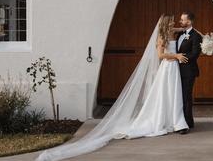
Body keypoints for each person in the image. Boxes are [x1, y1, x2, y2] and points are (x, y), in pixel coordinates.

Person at [35, 14, 195, 161]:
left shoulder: (171, 31)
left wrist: (190, 29)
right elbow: (160, 55)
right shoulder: (162, 37)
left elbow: (182, 28)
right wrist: (176, 56)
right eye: (172, 21)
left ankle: (175, 120)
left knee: (174, 95)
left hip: (174, 69)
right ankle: (164, 120)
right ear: (167, 23)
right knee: (164, 94)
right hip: (167, 68)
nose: (175, 23)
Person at [175, 11, 202, 132]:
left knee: (186, 97)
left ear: (189, 22)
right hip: (175, 71)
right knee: (178, 96)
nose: (180, 21)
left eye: (182, 20)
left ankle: (186, 124)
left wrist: (181, 57)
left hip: (188, 71)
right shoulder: (179, 33)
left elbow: (195, 54)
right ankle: (179, 121)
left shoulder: (196, 36)